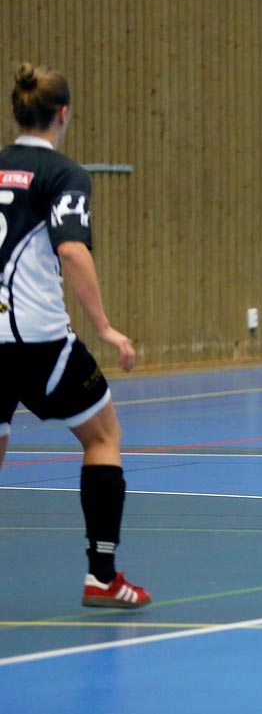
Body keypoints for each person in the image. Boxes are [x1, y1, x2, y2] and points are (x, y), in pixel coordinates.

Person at [0, 64, 149, 608]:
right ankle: (102, 576)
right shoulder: (64, 175)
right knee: (103, 436)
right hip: (38, 341)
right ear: (63, 114)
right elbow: (71, 249)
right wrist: (105, 328)